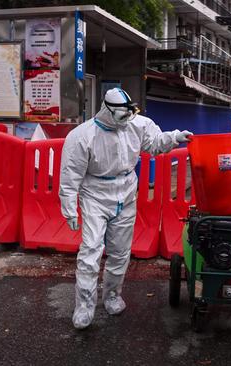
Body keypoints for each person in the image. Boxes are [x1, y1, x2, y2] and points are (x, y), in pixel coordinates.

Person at [59, 87, 192, 329]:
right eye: (121, 117)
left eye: (128, 115)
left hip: (126, 192)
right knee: (90, 251)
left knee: (120, 251)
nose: (125, 121)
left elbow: (154, 144)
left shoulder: (137, 124)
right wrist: (69, 208)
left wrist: (174, 138)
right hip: (95, 195)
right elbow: (70, 175)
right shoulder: (82, 136)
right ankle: (85, 305)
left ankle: (112, 295)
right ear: (107, 111)